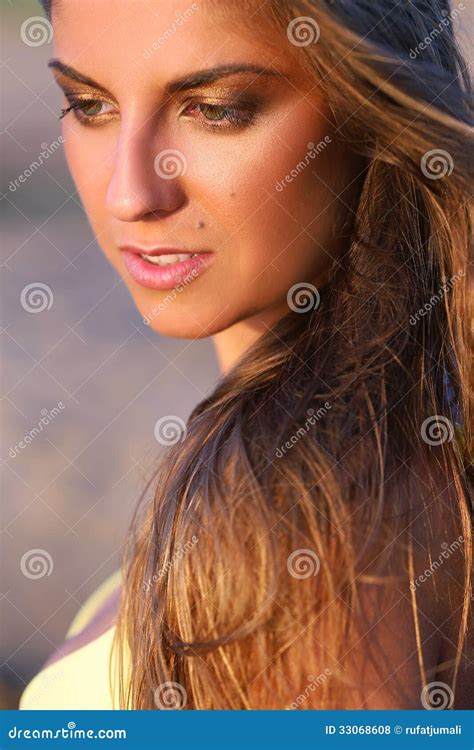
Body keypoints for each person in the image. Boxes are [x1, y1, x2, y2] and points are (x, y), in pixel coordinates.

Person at [21, 0, 472, 710]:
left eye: (218, 109)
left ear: (369, 110)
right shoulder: (415, 425)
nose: (130, 192)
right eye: (88, 104)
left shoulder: (312, 530)